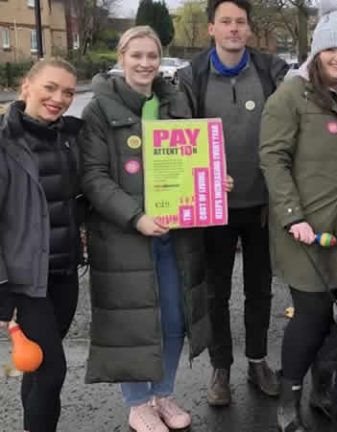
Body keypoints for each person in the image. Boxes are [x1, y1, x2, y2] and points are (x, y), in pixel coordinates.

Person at [259, 1, 337, 430]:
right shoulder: (291, 96)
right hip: (306, 232)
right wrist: (292, 214)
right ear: (316, 53)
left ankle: (322, 388)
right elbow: (273, 157)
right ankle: (287, 397)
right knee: (311, 315)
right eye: (330, 51)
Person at [80, 26, 214, 432]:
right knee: (134, 323)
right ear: (121, 58)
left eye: (152, 56)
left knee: (174, 319)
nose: (144, 63)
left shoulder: (176, 101)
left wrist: (212, 179)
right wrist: (136, 216)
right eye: (136, 55)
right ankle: (138, 403)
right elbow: (93, 176)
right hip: (125, 238)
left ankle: (163, 393)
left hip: (176, 235)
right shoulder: (98, 110)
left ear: (161, 59)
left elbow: (193, 157)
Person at [177, 0, 288, 404]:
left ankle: (257, 361)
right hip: (214, 208)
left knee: (260, 290)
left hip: (261, 204)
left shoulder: (271, 71)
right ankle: (220, 370)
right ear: (211, 29)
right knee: (215, 292)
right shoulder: (191, 77)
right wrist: (203, 176)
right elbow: (179, 138)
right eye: (225, 22)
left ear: (249, 29)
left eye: (240, 22)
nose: (234, 29)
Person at [0, 58, 83, 432]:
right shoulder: (4, 143)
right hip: (24, 282)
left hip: (64, 274)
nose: (59, 98)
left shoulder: (69, 136)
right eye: (50, 87)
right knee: (53, 371)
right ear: (26, 87)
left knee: (36, 368)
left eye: (67, 92)